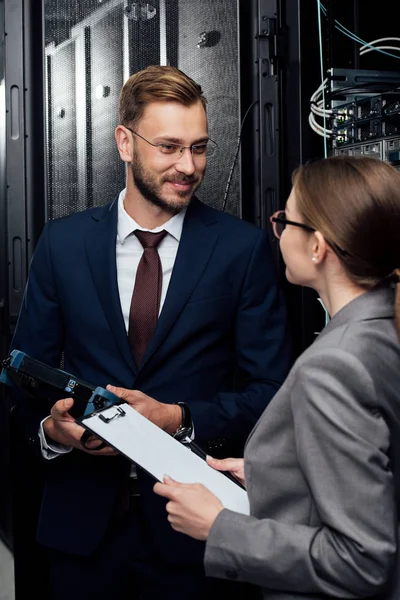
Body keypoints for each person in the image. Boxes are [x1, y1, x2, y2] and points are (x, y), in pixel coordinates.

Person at [9, 65, 291, 600]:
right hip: (81, 534)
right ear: (125, 143)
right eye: (169, 147)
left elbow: (273, 394)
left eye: (200, 148)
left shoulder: (241, 250)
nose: (189, 166)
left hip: (199, 541)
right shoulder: (61, 245)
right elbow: (23, 380)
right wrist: (52, 431)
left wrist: (178, 417)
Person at [154, 154, 400, 600]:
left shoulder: (334, 365)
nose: (279, 231)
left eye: (286, 220)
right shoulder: (383, 329)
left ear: (317, 247)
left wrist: (220, 528)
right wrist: (275, 473)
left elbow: (362, 560)